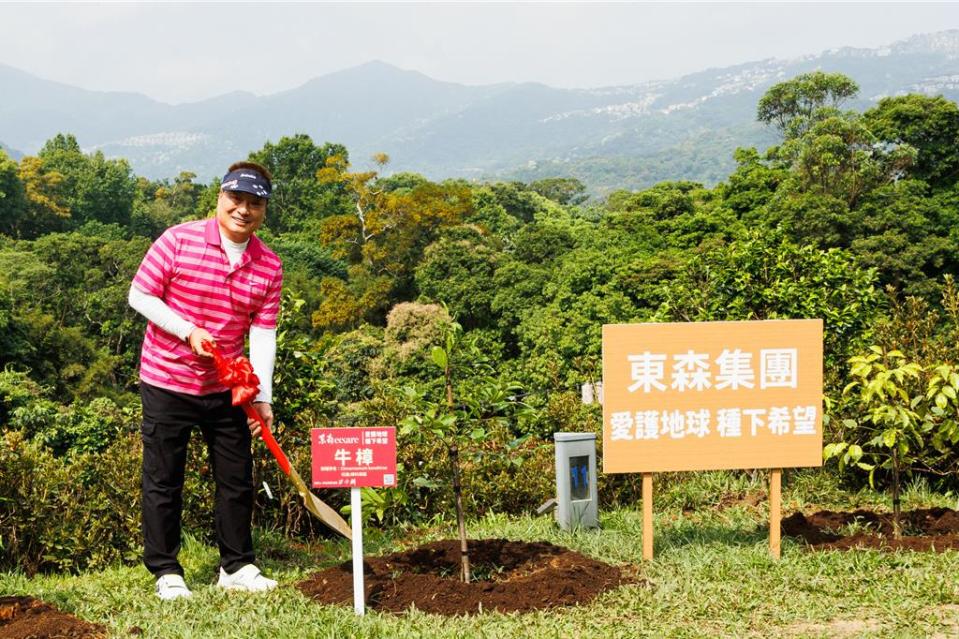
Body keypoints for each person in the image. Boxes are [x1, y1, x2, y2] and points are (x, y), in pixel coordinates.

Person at [128, 161, 283, 600]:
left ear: (264, 210)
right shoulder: (177, 240)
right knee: (164, 478)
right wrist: (187, 330)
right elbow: (139, 294)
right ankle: (166, 571)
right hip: (167, 378)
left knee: (237, 477)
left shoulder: (268, 265)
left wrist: (263, 396)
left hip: (227, 387)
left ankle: (236, 566)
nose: (243, 210)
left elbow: (263, 332)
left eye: (255, 204)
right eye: (236, 199)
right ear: (220, 197)